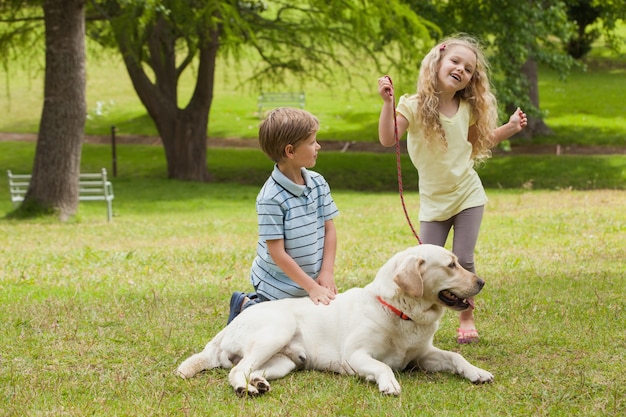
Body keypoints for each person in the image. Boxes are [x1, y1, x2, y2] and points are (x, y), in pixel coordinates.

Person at [377, 35, 527, 344]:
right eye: (455, 61)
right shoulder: (413, 105)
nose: (461, 69)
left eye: (469, 68)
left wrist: (510, 128)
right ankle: (414, 318)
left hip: (467, 193)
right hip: (433, 202)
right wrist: (388, 104)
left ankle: (466, 317)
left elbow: (477, 143)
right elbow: (388, 138)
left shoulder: (467, 109)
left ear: (472, 79)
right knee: (422, 265)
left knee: (463, 258)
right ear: (438, 63)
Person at [227, 107, 339, 324]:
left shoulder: (318, 183)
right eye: (312, 142)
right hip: (277, 285)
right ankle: (247, 306)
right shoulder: (271, 198)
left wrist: (326, 273)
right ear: (290, 151)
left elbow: (329, 229)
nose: (318, 146)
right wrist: (311, 287)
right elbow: (277, 253)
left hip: (310, 281)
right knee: (279, 327)